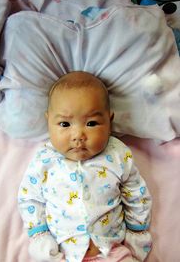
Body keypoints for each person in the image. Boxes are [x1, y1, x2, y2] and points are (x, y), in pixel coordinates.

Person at [18, 71, 152, 262]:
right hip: (64, 254)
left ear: (109, 120)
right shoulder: (44, 160)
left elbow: (136, 192)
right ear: (49, 121)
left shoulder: (117, 154)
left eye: (91, 123)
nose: (78, 135)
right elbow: (29, 198)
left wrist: (137, 231)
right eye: (65, 124)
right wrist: (41, 237)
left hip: (113, 251)